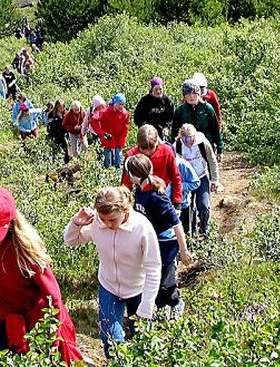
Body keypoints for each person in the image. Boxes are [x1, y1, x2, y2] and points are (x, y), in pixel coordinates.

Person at [0, 188, 83, 366]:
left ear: (11, 224)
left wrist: (52, 337)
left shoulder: (25, 250)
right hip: (5, 320)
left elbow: (52, 295)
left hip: (37, 321)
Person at [64, 186, 161, 358]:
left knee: (142, 340)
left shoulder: (141, 228)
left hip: (137, 289)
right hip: (108, 287)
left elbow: (153, 267)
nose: (108, 224)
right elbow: (71, 240)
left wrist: (147, 305)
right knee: (110, 340)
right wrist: (76, 223)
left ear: (125, 209)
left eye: (113, 220)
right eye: (104, 219)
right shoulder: (97, 223)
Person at [124, 154, 192, 319]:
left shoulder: (156, 196)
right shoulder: (139, 190)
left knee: (164, 282)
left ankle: (176, 304)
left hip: (165, 243)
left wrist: (183, 250)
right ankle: (161, 309)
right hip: (148, 241)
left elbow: (176, 223)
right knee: (150, 278)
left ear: (134, 175)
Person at [121, 125, 183, 212]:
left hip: (163, 194)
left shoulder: (167, 151)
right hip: (141, 196)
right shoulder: (131, 156)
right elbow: (126, 182)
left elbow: (176, 177)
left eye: (151, 148)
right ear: (138, 144)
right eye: (143, 149)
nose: (147, 152)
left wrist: (177, 203)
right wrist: (124, 203)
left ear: (157, 142)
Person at [174, 123, 220, 237]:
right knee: (188, 207)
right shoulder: (177, 146)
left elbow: (212, 160)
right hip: (186, 180)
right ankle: (191, 232)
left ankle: (205, 229)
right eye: (184, 138)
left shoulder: (203, 143)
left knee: (204, 205)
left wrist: (215, 180)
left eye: (189, 138)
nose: (187, 141)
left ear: (194, 136)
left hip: (201, 176)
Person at [171, 81, 224, 164]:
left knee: (209, 168)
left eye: (194, 93)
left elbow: (215, 129)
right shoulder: (180, 111)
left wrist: (220, 149)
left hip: (206, 143)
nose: (191, 96)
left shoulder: (207, 108)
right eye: (188, 94)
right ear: (184, 96)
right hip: (187, 147)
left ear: (198, 94)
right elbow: (174, 133)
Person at [90, 93, 129, 169]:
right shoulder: (105, 111)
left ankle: (117, 177)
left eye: (123, 104)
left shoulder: (125, 114)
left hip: (118, 139)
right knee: (106, 161)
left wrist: (121, 141)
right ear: (115, 103)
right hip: (107, 139)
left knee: (118, 160)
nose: (121, 106)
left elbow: (125, 128)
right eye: (119, 104)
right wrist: (102, 133)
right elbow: (93, 120)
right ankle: (106, 176)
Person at [169, 151, 201, 235]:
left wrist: (179, 187)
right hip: (169, 205)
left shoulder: (183, 165)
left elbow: (196, 183)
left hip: (184, 203)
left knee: (186, 229)